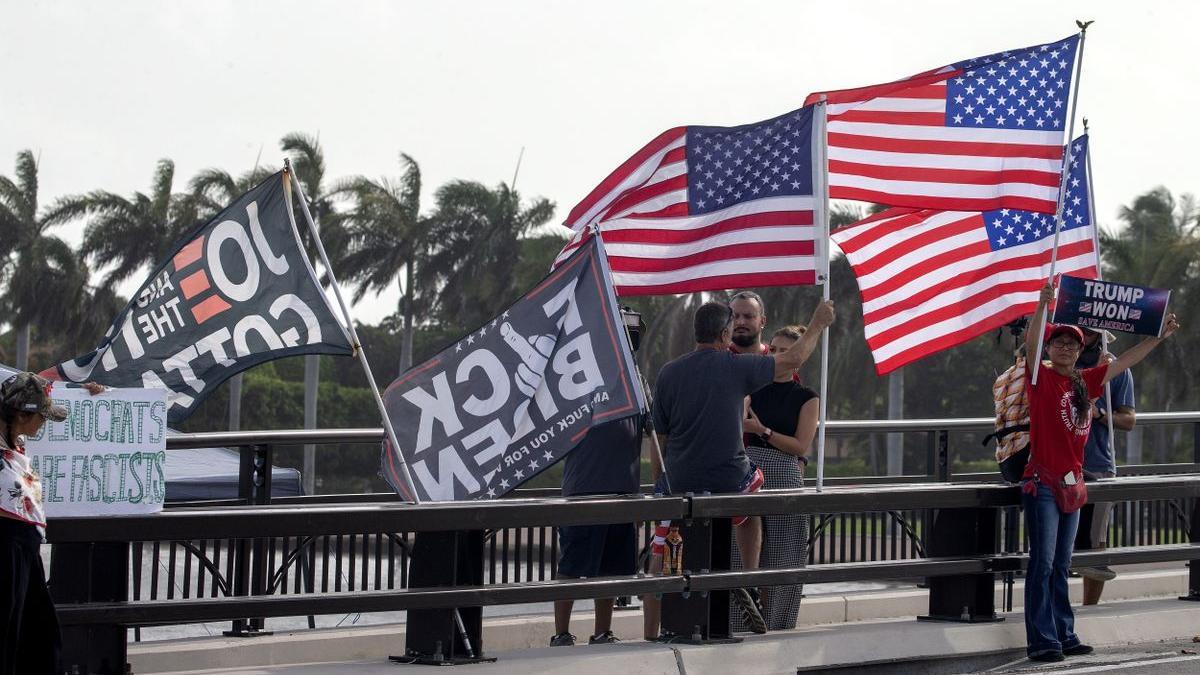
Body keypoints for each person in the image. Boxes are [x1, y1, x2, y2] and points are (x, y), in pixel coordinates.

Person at [647, 299, 834, 637]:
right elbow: (793, 360)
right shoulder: (736, 367)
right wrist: (818, 322)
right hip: (729, 478)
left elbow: (658, 439)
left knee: (660, 550)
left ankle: (651, 629)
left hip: (679, 480)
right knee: (752, 496)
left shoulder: (669, 373)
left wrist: (660, 484)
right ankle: (747, 577)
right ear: (724, 333)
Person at [1020, 283, 1179, 663]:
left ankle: (1065, 632)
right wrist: (1042, 307)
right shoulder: (1040, 379)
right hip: (1043, 482)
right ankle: (1042, 640)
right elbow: (1030, 346)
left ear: (1079, 351)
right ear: (1050, 348)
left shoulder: (1084, 381)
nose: (1064, 347)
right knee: (1042, 563)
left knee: (1062, 563)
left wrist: (1158, 337)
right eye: (1057, 342)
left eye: (1071, 344)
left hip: (1073, 486)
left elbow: (1125, 361)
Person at [737, 325, 819, 630]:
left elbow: (800, 445)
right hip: (749, 469)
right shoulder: (751, 389)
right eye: (771, 349)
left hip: (785, 471)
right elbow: (737, 425)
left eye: (783, 350)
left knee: (785, 553)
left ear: (798, 358)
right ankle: (744, 621)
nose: (775, 355)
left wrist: (763, 431)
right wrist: (750, 427)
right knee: (743, 553)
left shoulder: (807, 398)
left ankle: (778, 623)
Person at [550, 415, 643, 647]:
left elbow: (648, 434)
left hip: (623, 493)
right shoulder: (583, 386)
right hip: (583, 491)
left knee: (610, 570)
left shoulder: (636, 388)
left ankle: (602, 632)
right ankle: (561, 633)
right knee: (570, 567)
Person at [0, 372, 69, 674]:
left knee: (40, 637)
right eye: (41, 416)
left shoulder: (15, 442)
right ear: (21, 414)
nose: (43, 423)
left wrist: (92, 387)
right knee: (7, 637)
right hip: (5, 548)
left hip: (24, 548)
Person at [1071, 327, 1135, 605]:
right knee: (1056, 539)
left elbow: (1128, 420)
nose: (1082, 335)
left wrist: (1099, 414)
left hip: (1096, 463)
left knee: (1096, 541)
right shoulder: (1055, 364)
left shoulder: (1116, 366)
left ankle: (1088, 610)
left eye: (1088, 330)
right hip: (1059, 462)